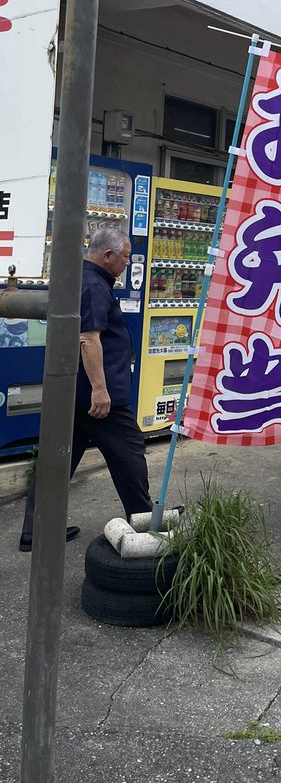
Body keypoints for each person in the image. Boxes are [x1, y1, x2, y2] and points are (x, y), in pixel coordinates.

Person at [19, 226, 153, 552]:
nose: (127, 264)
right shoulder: (94, 285)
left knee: (56, 462)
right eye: (125, 257)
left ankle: (35, 530)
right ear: (107, 255)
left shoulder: (82, 277)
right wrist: (100, 390)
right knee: (130, 453)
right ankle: (145, 520)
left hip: (72, 392)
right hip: (97, 397)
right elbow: (88, 339)